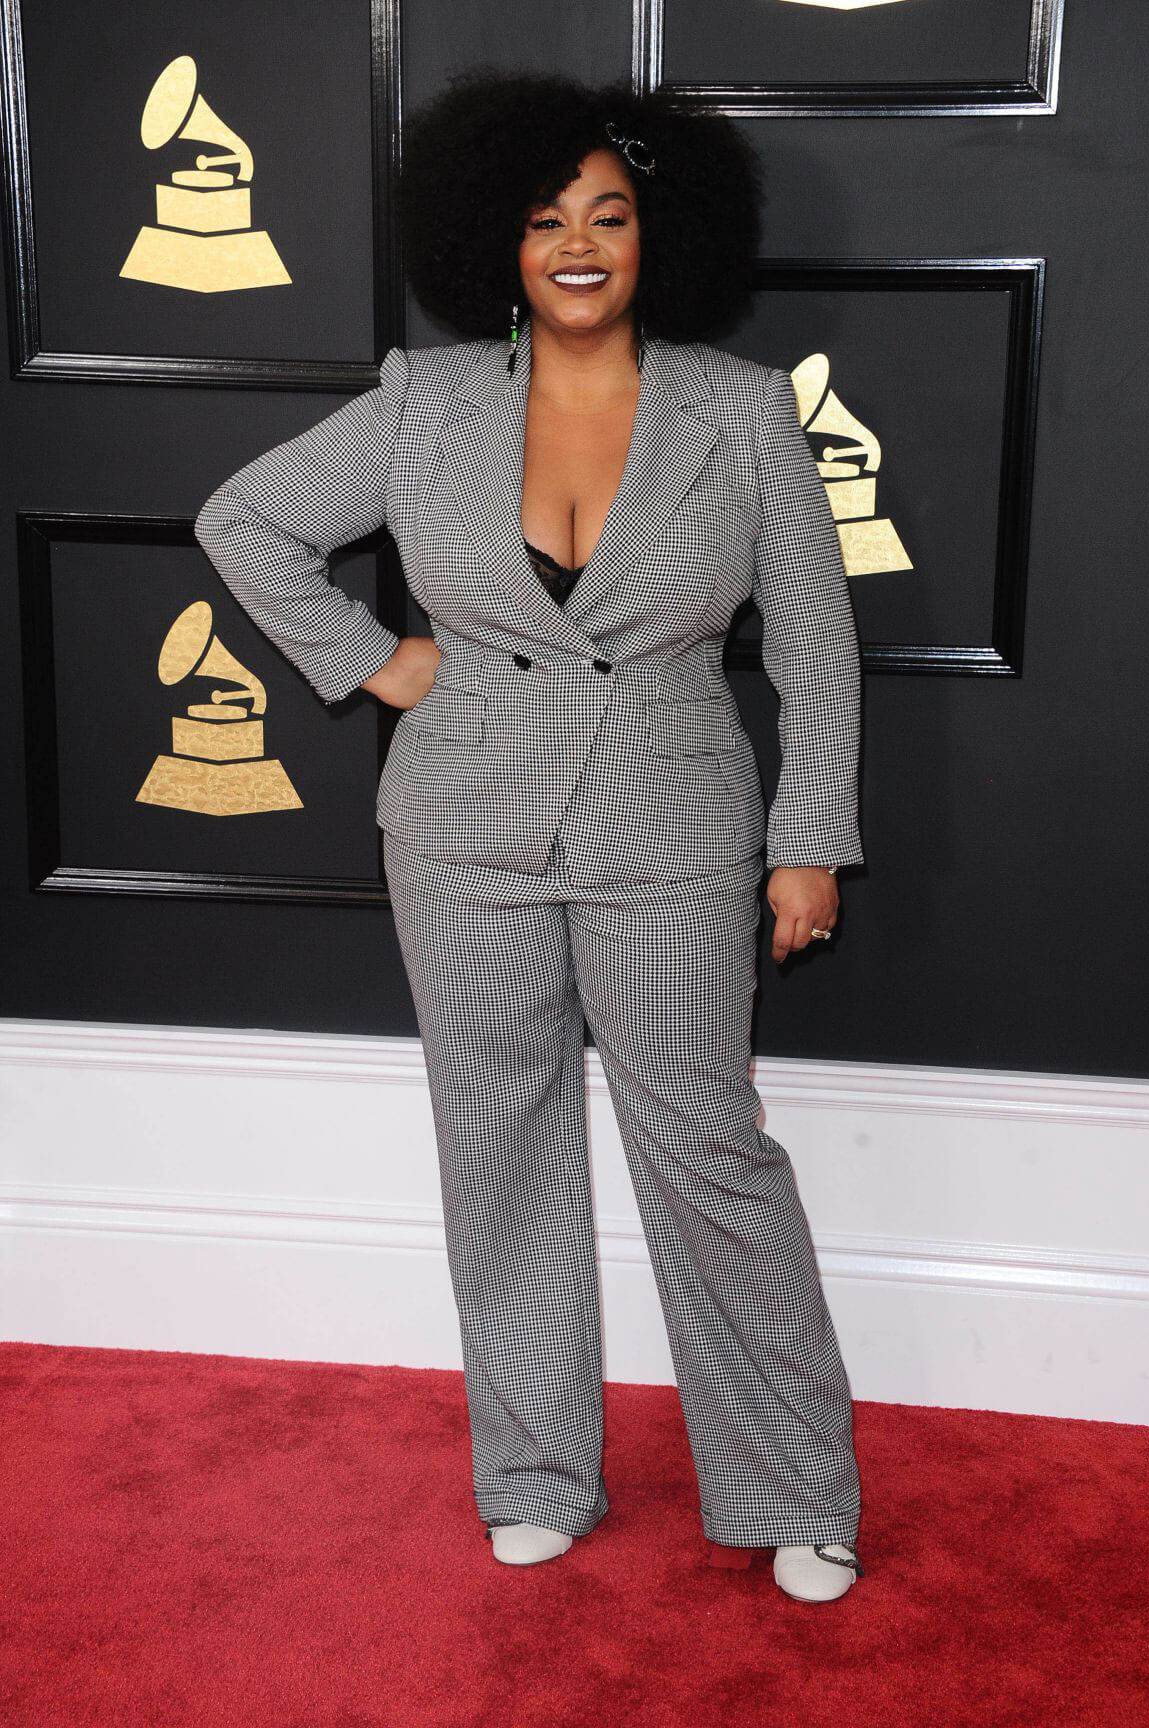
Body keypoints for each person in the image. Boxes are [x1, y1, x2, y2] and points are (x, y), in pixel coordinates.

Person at [194, 68, 867, 1604]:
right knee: (499, 1147)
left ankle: (792, 1487)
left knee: (706, 1146)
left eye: (610, 217)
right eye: (547, 217)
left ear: (660, 237)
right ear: (494, 239)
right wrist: (377, 661)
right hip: (462, 826)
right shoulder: (427, 404)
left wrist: (808, 838)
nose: (578, 244)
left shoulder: (742, 412)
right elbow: (248, 518)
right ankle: (540, 1470)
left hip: (676, 827)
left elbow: (818, 649)